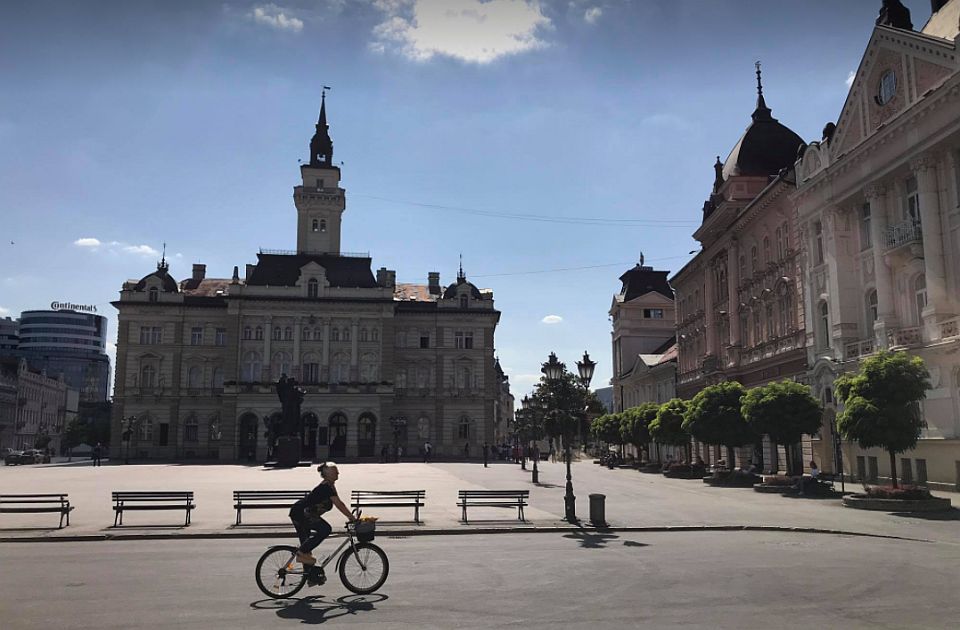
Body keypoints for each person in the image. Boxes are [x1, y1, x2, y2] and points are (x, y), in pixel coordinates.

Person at [289, 462, 356, 586]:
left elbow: (338, 502)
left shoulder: (329, 485)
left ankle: (311, 577)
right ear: (328, 474)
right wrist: (352, 518)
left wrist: (350, 516)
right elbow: (339, 504)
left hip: (302, 514)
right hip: (301, 514)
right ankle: (302, 554)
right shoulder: (327, 487)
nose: (338, 473)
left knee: (307, 550)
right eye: (335, 471)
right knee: (325, 529)